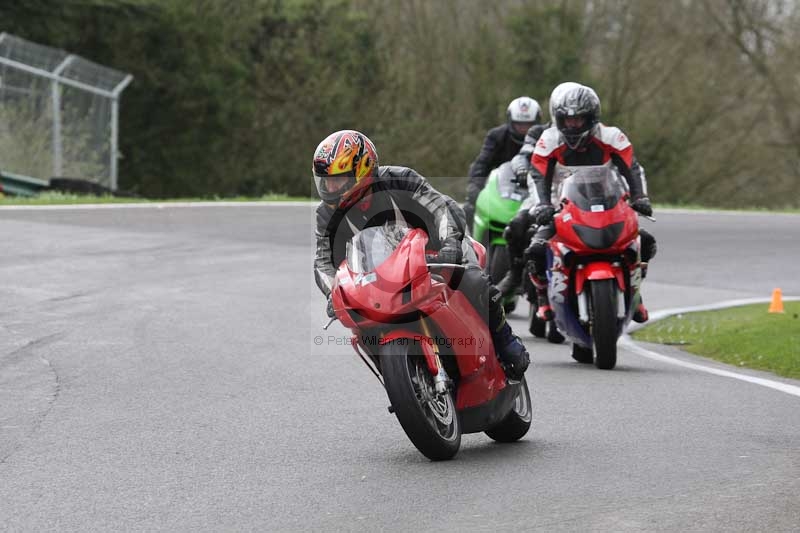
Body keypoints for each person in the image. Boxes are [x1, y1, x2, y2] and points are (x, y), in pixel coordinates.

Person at [313, 129, 530, 379]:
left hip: (437, 247)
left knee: (473, 280)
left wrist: (450, 244)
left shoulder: (401, 179)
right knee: (361, 325)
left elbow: (440, 209)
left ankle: (505, 340)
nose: (330, 187)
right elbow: (323, 260)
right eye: (326, 181)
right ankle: (404, 377)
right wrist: (333, 291)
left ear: (361, 170)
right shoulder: (326, 214)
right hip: (382, 272)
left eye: (338, 180)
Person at [520, 83, 656, 323]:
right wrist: (542, 204)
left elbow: (632, 169)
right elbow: (538, 174)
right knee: (536, 249)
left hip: (607, 201)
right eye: (567, 120)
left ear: (591, 118)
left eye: (579, 120)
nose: (572, 125)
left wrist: (640, 198)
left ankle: (636, 296)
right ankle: (542, 296)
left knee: (643, 241)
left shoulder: (612, 136)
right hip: (560, 204)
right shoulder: (548, 139)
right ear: (558, 118)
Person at [496, 83, 583, 298]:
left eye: (579, 114)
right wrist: (522, 168)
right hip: (546, 192)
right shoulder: (538, 132)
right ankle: (516, 274)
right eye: (568, 113)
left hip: (582, 195)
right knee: (516, 226)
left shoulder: (594, 135)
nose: (573, 120)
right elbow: (523, 155)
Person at [463, 96, 542, 233]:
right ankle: (469, 245)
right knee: (469, 207)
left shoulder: (545, 136)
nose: (524, 129)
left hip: (534, 189)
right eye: (519, 125)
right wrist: (474, 185)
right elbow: (482, 163)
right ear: (511, 121)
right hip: (501, 189)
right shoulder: (496, 136)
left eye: (528, 125)